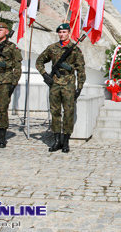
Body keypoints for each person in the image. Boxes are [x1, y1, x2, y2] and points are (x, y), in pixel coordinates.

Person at [36, 22, 86, 153]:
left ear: (69, 33)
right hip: (55, 84)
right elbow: (39, 61)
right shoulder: (52, 48)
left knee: (68, 113)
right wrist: (45, 75)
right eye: (60, 32)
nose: (62, 34)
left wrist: (79, 87)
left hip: (69, 84)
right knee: (55, 112)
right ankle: (57, 140)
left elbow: (81, 69)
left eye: (64, 32)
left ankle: (65, 141)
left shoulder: (75, 49)